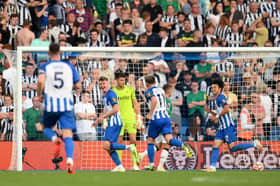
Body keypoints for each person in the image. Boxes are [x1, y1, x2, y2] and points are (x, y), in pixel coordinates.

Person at [37, 43, 81, 174]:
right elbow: (78, 85)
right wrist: (69, 88)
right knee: (68, 134)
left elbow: (40, 81)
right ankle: (69, 159)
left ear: (49, 53)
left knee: (43, 126)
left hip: (51, 104)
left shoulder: (44, 66)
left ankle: (54, 139)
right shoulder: (69, 66)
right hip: (66, 105)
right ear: (60, 52)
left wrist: (40, 95)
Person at [203, 79, 264, 172]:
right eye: (212, 87)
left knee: (232, 148)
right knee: (215, 145)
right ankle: (212, 167)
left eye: (215, 87)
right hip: (222, 127)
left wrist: (216, 117)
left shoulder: (220, 97)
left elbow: (227, 109)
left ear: (219, 88)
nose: (212, 89)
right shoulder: (216, 99)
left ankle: (254, 144)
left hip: (228, 126)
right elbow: (219, 112)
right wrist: (210, 111)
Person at [143, 75, 193, 170]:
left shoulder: (148, 91)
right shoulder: (161, 90)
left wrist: (150, 114)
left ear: (147, 83)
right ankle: (183, 145)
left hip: (156, 118)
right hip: (166, 117)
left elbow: (154, 100)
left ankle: (151, 164)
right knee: (169, 139)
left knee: (150, 141)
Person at [93, 76, 138, 172]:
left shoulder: (111, 94)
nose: (102, 85)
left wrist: (103, 117)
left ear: (108, 83)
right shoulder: (105, 95)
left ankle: (128, 148)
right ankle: (120, 166)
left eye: (104, 83)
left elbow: (116, 109)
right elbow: (108, 109)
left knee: (106, 145)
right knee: (108, 146)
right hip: (112, 121)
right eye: (100, 84)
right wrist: (98, 119)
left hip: (115, 121)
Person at [112, 72, 142, 170]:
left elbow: (135, 103)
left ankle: (135, 164)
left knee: (133, 140)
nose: (123, 82)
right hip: (119, 119)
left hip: (130, 118)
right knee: (119, 141)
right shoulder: (113, 91)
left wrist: (139, 116)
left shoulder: (130, 89)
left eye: (124, 80)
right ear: (116, 80)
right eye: (121, 80)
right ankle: (119, 165)